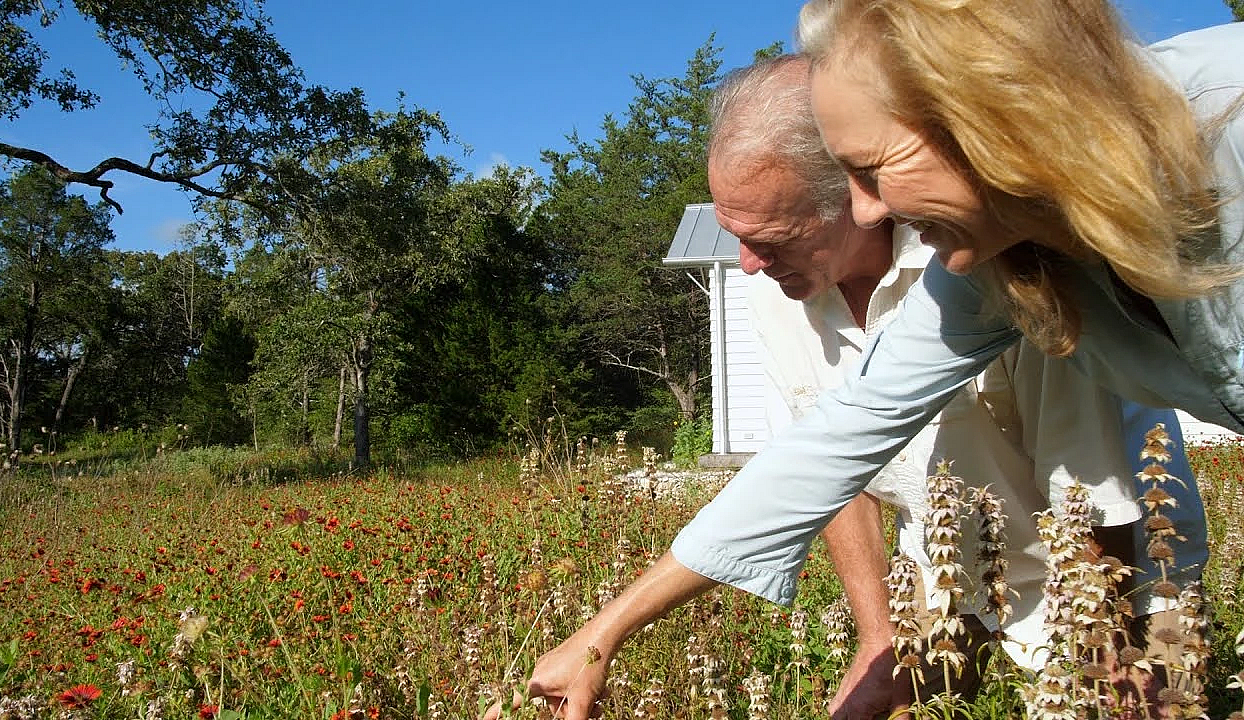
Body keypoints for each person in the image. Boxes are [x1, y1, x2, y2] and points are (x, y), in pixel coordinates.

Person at [481, 46, 1211, 719]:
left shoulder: (977, 255)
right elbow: (826, 463)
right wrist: (876, 632)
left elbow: (1090, 488)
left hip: (1114, 568)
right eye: (738, 235)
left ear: (857, 196)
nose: (747, 265)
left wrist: (1106, 652)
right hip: (949, 567)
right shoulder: (781, 289)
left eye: (769, 238)